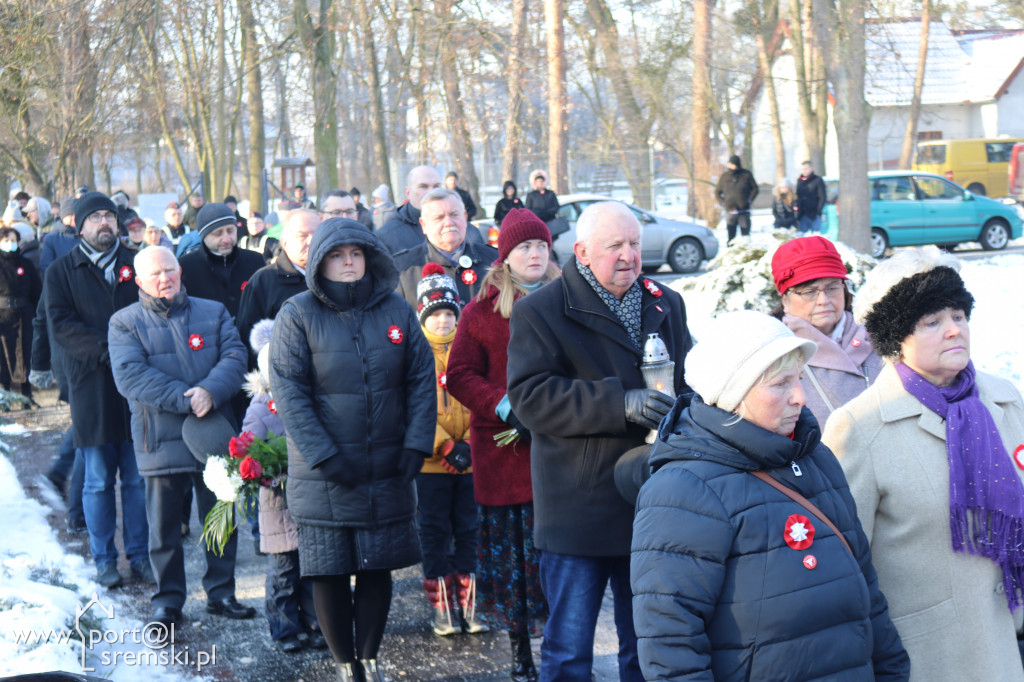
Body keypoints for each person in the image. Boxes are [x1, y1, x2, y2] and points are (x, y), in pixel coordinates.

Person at [631, 310, 910, 681]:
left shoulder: (815, 457)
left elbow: (864, 584)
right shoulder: (684, 489)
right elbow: (670, 642)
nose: (800, 396)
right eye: (780, 384)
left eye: (799, 379)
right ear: (733, 395)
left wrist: (892, 670)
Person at [506, 201, 693, 682]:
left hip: (652, 500)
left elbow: (690, 380)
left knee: (646, 646)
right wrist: (618, 404)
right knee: (569, 652)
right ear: (583, 252)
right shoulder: (540, 312)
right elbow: (530, 398)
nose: (629, 255)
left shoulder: (664, 301)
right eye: (616, 246)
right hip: (579, 505)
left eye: (634, 243)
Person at [823, 247, 1024, 682]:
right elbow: (846, 567)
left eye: (958, 315)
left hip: (1008, 643)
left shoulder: (1005, 400)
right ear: (897, 338)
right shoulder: (859, 427)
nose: (954, 330)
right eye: (932, 322)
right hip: (931, 658)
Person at [268, 218, 436, 682]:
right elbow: (291, 392)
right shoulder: (297, 313)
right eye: (337, 255)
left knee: (378, 565)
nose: (348, 263)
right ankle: (346, 665)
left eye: (356, 254)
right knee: (330, 571)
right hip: (324, 472)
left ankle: (371, 657)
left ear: (369, 258)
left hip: (387, 464)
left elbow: (421, 380)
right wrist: (325, 455)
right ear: (320, 261)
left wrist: (416, 443)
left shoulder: (396, 310)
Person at [108, 246, 255, 629]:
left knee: (220, 519)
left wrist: (211, 391)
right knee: (164, 529)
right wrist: (190, 399)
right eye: (155, 274)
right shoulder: (124, 323)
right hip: (160, 439)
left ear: (180, 271)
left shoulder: (214, 311)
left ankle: (222, 592)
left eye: (169, 270)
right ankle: (168, 600)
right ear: (139, 282)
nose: (164, 278)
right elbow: (131, 376)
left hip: (213, 434)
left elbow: (235, 356)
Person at [447, 208, 558, 682]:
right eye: (523, 248)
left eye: (541, 246)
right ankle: (520, 651)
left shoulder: (567, 301)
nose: (534, 254)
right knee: (517, 558)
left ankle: (560, 645)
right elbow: (459, 375)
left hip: (559, 451)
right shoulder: (481, 312)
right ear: (506, 257)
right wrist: (505, 405)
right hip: (506, 453)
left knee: (560, 559)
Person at [45, 191, 149, 588]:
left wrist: (133, 357)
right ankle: (105, 558)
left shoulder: (135, 264)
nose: (105, 223)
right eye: (96, 217)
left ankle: (139, 556)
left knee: (137, 479)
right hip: (91, 385)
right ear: (80, 225)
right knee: (98, 479)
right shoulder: (61, 271)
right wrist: (111, 352)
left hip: (137, 387)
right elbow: (62, 325)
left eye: (110, 216)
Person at [412, 263, 487, 637]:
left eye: (448, 313)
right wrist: (443, 444)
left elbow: (479, 394)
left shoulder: (468, 346)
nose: (442, 321)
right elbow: (414, 405)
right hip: (432, 464)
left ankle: (470, 605)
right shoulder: (416, 351)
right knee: (435, 530)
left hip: (471, 461)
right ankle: (442, 607)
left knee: (469, 529)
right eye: (435, 313)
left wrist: (471, 443)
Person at [242, 320, 327, 653]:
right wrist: (268, 471)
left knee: (313, 568)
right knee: (282, 572)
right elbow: (249, 452)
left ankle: (317, 622)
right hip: (277, 506)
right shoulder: (260, 410)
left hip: (310, 502)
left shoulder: (310, 402)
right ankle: (284, 628)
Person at [769, 236, 882, 424]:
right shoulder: (775, 355)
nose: (823, 300)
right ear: (785, 301)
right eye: (809, 291)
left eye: (832, 288)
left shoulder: (879, 338)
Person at [236, 209, 321, 366]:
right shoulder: (263, 281)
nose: (311, 241)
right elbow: (246, 340)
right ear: (284, 241)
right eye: (302, 236)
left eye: (316, 235)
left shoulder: (334, 275)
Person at [394, 188, 497, 309]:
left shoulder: (494, 261)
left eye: (454, 215)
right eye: (439, 218)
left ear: (465, 217)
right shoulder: (403, 269)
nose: (448, 222)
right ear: (424, 225)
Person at [179, 203, 266, 320]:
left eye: (230, 231)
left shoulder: (255, 261)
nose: (226, 239)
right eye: (218, 233)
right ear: (204, 236)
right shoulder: (186, 267)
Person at [0, 226, 42, 400]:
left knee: (25, 351)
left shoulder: (25, 263)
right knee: (3, 354)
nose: (10, 243)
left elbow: (36, 290)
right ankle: (5, 392)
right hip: (2, 314)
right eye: (6, 240)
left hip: (24, 314)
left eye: (12, 240)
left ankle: (27, 392)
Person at [378, 165, 444, 254]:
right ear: (407, 192)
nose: (431, 192)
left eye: (436, 186)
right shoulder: (386, 237)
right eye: (423, 186)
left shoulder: (462, 228)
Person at [714, 154, 759, 243]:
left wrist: (749, 200)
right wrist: (722, 202)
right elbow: (717, 192)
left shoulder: (746, 175)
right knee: (731, 235)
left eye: (733, 164)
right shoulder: (724, 176)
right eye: (730, 164)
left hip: (744, 210)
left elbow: (755, 189)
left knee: (745, 235)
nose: (731, 166)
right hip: (730, 210)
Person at [795, 160, 827, 233]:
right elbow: (798, 196)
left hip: (814, 213)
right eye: (803, 169)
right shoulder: (799, 180)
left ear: (811, 169)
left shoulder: (817, 180)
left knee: (815, 236)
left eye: (806, 169)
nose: (804, 171)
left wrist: (818, 211)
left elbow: (822, 197)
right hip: (802, 214)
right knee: (803, 237)